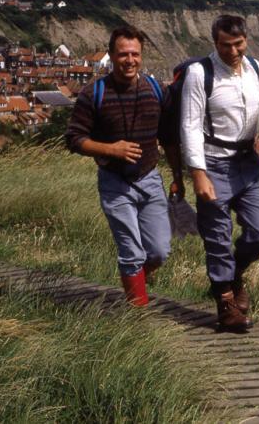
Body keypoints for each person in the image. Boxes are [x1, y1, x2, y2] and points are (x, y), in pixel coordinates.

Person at [65, 26, 184, 306]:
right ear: (111, 55)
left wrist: (178, 176)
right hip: (114, 183)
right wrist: (111, 149)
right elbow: (73, 139)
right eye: (123, 54)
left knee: (158, 252)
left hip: (150, 179)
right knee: (131, 252)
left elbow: (168, 138)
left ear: (141, 56)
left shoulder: (156, 90)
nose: (130, 60)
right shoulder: (94, 93)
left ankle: (139, 279)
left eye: (135, 54)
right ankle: (138, 315)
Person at [181, 14, 259, 332]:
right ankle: (226, 303)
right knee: (217, 237)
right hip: (214, 164)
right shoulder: (200, 74)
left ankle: (234, 273)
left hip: (248, 163)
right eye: (226, 46)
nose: (233, 52)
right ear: (215, 43)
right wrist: (197, 173)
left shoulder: (254, 67)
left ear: (246, 40)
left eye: (238, 44)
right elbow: (189, 125)